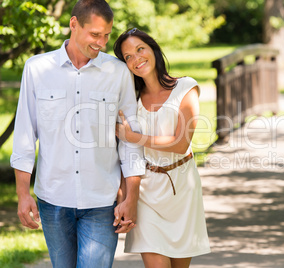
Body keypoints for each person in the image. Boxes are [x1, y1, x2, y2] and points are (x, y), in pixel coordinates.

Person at [10, 1, 145, 267]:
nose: (102, 43)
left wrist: (131, 197)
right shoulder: (37, 68)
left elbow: (131, 141)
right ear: (74, 24)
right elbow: (25, 136)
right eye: (95, 34)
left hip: (101, 201)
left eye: (106, 35)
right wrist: (23, 193)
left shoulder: (118, 72)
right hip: (53, 199)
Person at [113, 28, 211, 267]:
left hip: (182, 190)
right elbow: (122, 153)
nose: (136, 59)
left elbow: (180, 143)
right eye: (128, 57)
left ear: (153, 49)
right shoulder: (129, 100)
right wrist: (123, 198)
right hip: (146, 192)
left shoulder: (186, 88)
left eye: (140, 50)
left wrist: (134, 136)